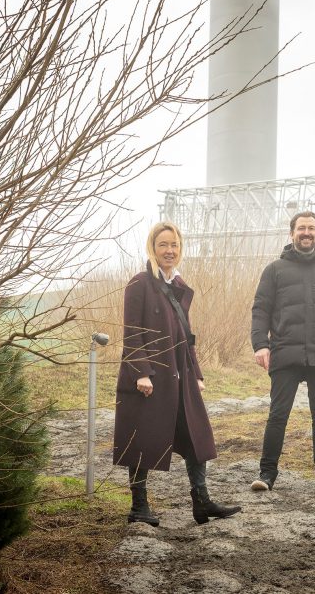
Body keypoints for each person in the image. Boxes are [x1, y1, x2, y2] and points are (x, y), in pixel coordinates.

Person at [113, 222, 241, 527]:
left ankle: (202, 501)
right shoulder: (140, 283)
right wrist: (141, 373)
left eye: (174, 245)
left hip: (180, 378)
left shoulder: (178, 287)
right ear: (152, 248)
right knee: (142, 440)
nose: (169, 251)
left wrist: (196, 372)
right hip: (151, 380)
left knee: (196, 437)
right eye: (163, 245)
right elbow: (132, 334)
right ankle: (138, 506)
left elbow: (187, 336)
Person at [250, 211, 315, 495]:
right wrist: (260, 344)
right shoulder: (274, 270)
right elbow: (260, 309)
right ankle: (266, 474)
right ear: (291, 233)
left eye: (311, 228)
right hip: (285, 352)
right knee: (278, 414)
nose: (306, 233)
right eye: (301, 228)